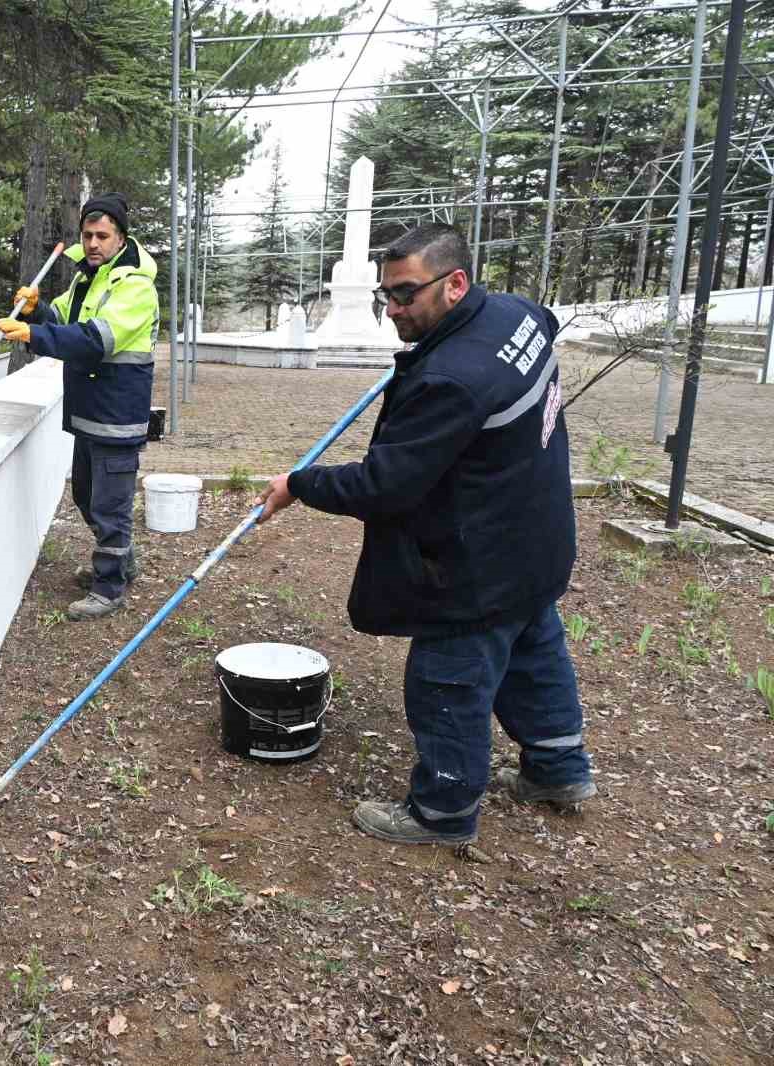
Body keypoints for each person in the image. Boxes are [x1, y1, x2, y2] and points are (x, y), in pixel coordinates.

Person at [254, 222, 596, 846]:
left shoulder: (451, 380)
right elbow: (540, 325)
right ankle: (559, 770)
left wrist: (299, 484)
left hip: (477, 560)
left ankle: (441, 812)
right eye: (387, 295)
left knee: (448, 679)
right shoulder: (517, 315)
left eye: (406, 295)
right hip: (536, 538)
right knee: (533, 649)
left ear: (455, 283)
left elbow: (385, 485)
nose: (391, 309)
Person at [0, 193, 159, 622]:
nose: (92, 243)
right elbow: (63, 322)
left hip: (116, 417)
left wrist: (31, 336)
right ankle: (119, 563)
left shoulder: (134, 287)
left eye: (102, 235)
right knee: (87, 497)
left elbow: (92, 341)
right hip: (89, 416)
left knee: (110, 507)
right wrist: (35, 312)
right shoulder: (89, 279)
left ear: (121, 237)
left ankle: (109, 588)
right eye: (87, 234)